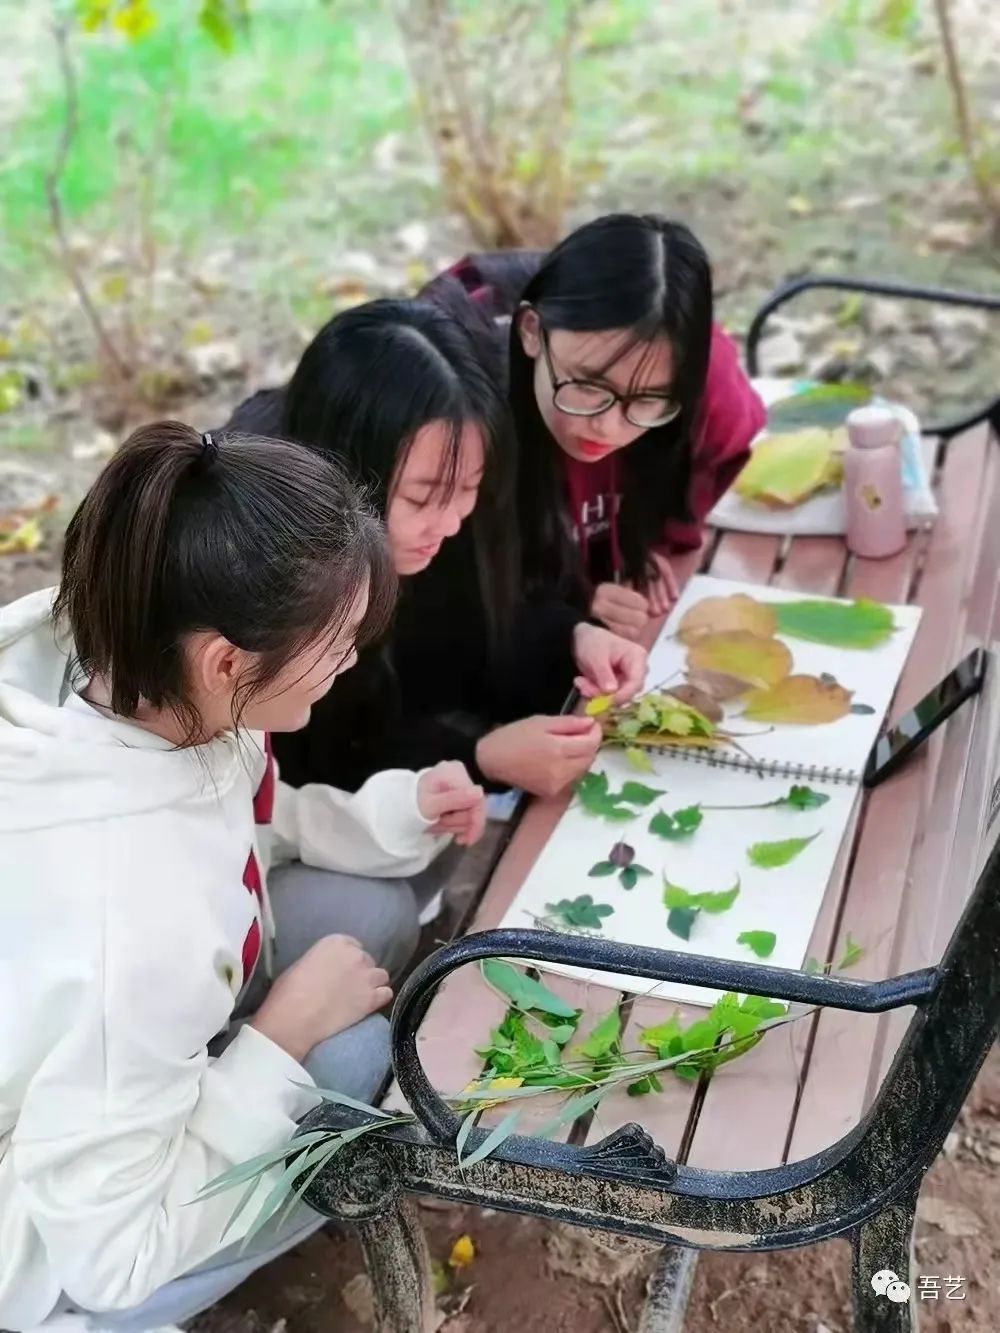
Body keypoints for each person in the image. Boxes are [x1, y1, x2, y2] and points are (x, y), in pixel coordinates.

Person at [0, 422, 487, 1330]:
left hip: (114, 1050)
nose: (348, 663)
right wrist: (282, 1032)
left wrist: (396, 813)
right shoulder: (127, 921)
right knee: (358, 1061)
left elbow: (241, 820)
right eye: (337, 643)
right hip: (55, 1238)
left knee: (373, 908)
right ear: (226, 660)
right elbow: (113, 1249)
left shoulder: (135, 661)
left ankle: (225, 1062)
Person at [225, 299, 647, 800]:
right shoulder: (267, 570)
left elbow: (473, 634)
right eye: (423, 497)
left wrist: (573, 641)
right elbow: (317, 771)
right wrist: (479, 759)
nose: (449, 523)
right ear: (347, 469)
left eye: (468, 487)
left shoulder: (439, 508)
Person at [419, 212, 767, 642]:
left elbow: (711, 461)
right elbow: (437, 589)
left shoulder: (704, 385)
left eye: (646, 400)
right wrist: (564, 605)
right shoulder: (455, 396)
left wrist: (651, 538)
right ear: (531, 332)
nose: (607, 427)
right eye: (586, 384)